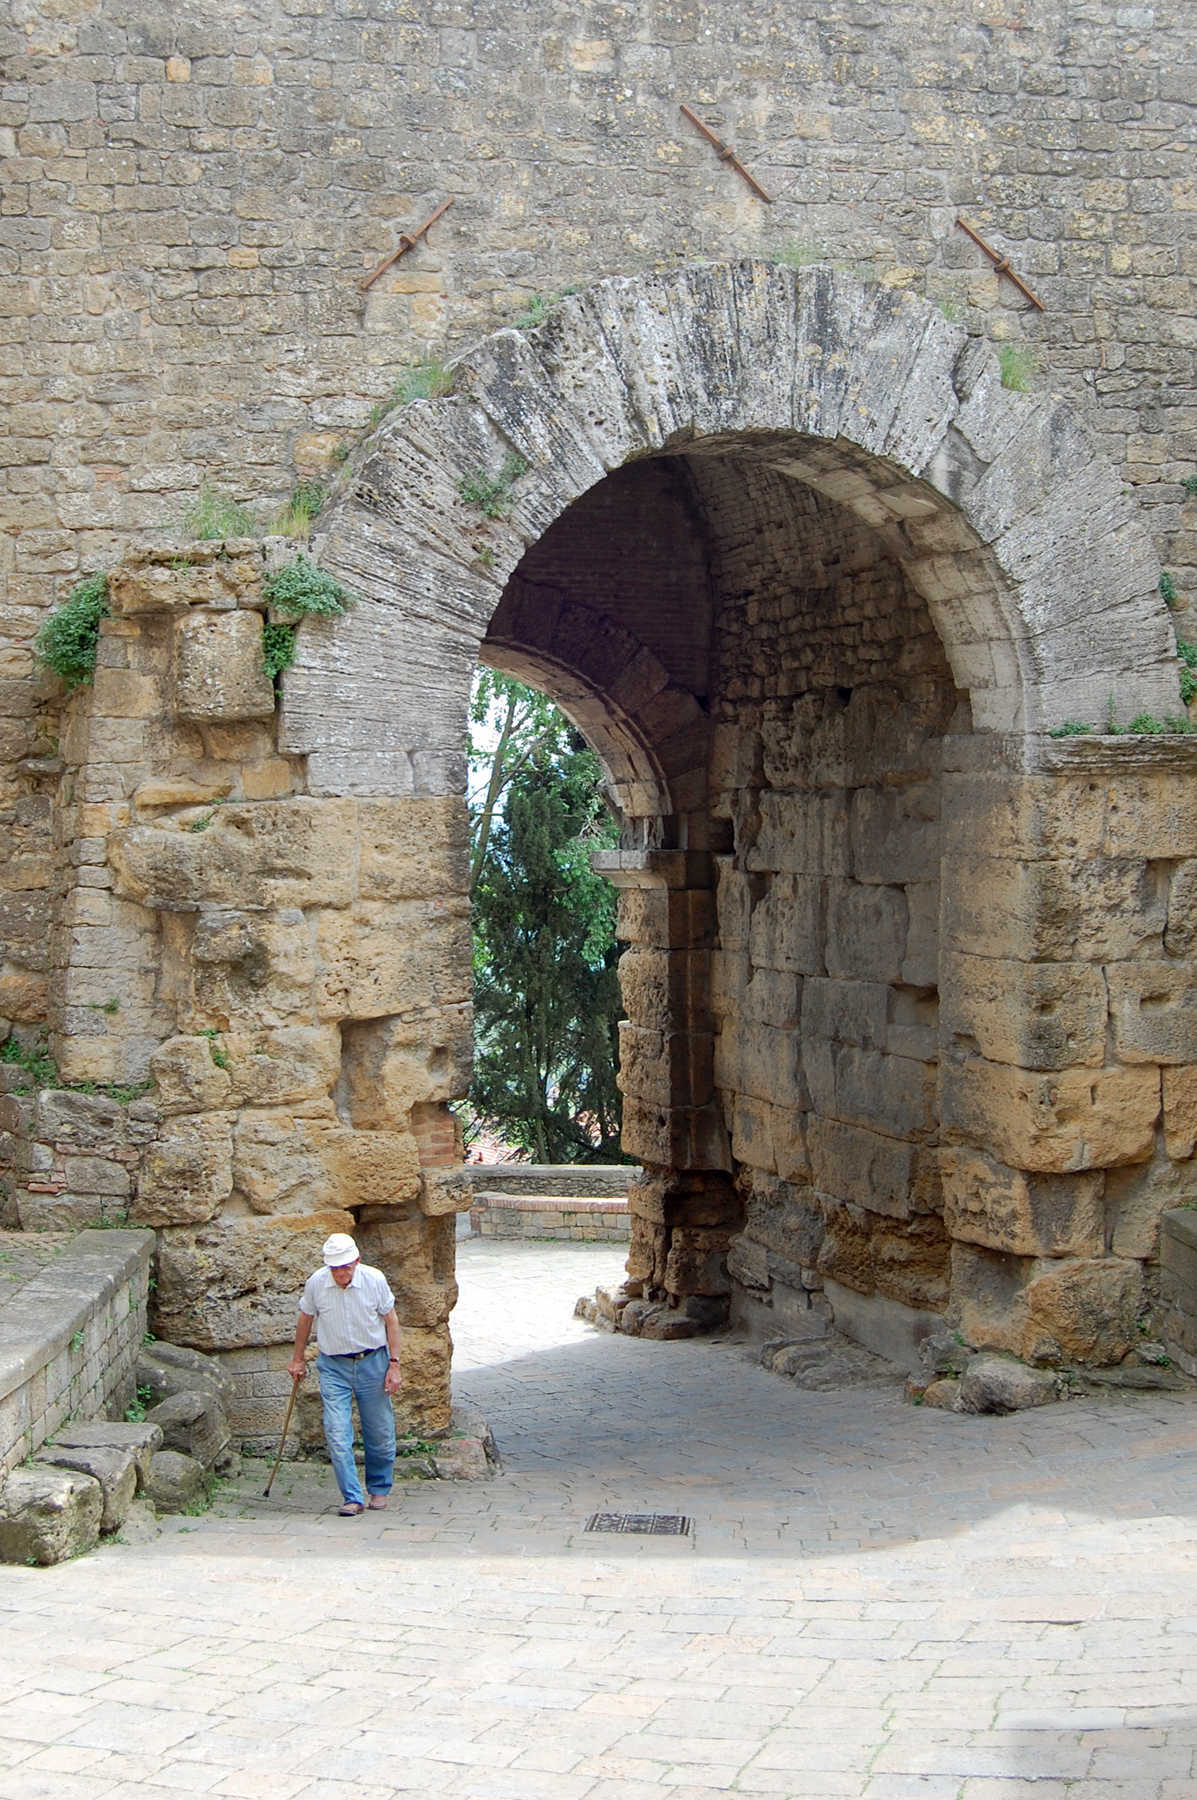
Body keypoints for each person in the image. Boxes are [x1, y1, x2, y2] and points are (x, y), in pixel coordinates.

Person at [288, 1232, 402, 1516]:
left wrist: (395, 1364)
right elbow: (305, 1319)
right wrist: (297, 1358)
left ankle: (378, 1488)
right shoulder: (317, 1283)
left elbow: (391, 1321)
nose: (341, 1273)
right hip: (333, 1366)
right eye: (335, 1268)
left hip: (373, 1361)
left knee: (379, 1432)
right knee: (337, 1432)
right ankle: (352, 1496)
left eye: (346, 1267)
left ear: (357, 1261)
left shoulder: (374, 1280)